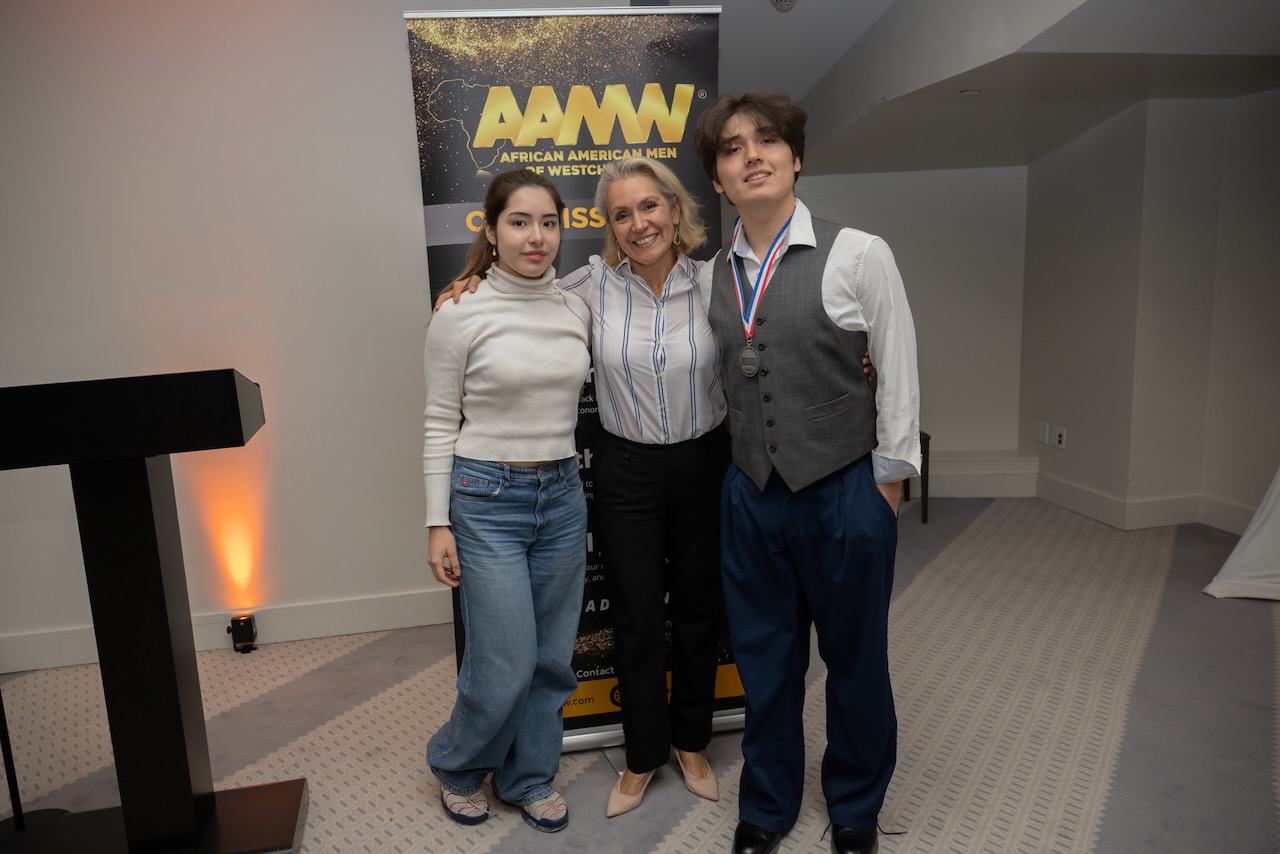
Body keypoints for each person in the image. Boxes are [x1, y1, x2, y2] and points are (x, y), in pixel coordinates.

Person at [437, 157, 878, 821]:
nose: (638, 223)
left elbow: (784, 332)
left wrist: (858, 355)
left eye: (650, 206)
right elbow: (520, 294)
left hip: (707, 463)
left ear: (675, 211)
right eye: (622, 213)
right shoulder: (586, 288)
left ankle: (691, 743)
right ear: (610, 227)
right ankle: (643, 754)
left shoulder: (719, 281)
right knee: (637, 618)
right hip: (626, 470)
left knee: (700, 611)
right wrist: (469, 279)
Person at [692, 92, 921, 854]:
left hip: (846, 489)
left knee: (856, 660)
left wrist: (886, 487)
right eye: (732, 149)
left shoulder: (860, 253)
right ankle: (768, 804)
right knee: (765, 663)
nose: (751, 156)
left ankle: (855, 805)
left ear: (795, 158)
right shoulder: (708, 275)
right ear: (718, 179)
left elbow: (897, 369)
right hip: (751, 495)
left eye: (767, 141)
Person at [423, 168, 591, 834]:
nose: (536, 236)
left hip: (563, 495)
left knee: (551, 660)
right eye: (519, 222)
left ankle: (527, 776)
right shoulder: (459, 311)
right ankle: (459, 766)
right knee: (504, 662)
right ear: (491, 231)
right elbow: (440, 419)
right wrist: (436, 521)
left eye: (549, 222)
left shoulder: (575, 307)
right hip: (485, 498)